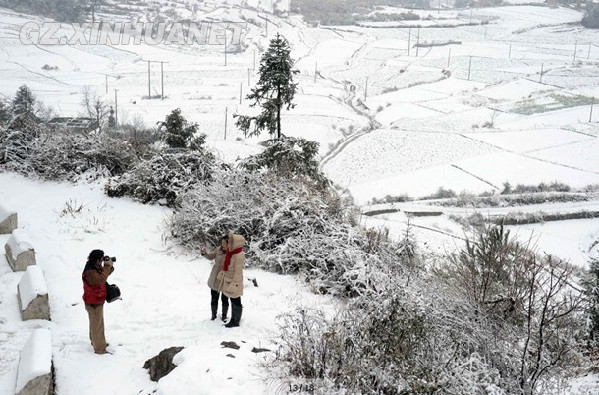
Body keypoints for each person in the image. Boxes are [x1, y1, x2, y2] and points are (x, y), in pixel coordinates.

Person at [82, 249, 114, 354]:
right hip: (93, 303)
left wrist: (109, 266)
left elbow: (103, 275)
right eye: (101, 260)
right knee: (97, 326)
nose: (102, 262)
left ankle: (96, 342)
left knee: (95, 324)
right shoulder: (90, 272)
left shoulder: (93, 266)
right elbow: (100, 280)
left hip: (95, 301)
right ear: (97, 260)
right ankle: (100, 348)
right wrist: (107, 266)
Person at [220, 231, 246, 328]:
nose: (228, 244)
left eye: (230, 242)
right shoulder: (232, 253)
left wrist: (234, 285)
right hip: (229, 281)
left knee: (236, 301)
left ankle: (235, 321)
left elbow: (238, 273)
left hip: (234, 282)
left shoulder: (238, 255)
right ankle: (233, 319)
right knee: (233, 301)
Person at [201, 235, 230, 321]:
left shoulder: (232, 253)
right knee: (214, 298)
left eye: (224, 243)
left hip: (225, 278)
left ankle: (224, 316)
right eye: (222, 242)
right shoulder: (218, 249)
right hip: (215, 277)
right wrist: (204, 253)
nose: (222, 244)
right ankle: (213, 316)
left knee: (225, 299)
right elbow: (210, 256)